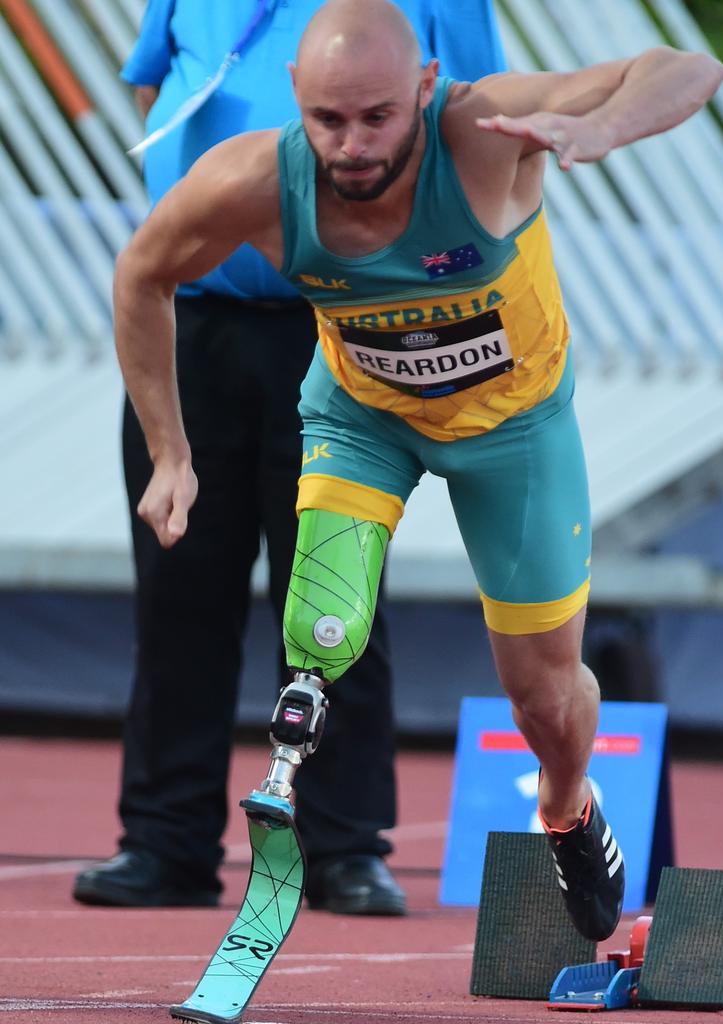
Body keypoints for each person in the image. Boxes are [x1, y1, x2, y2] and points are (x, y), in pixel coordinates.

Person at [106, 0, 723, 941]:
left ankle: (567, 806)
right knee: (322, 625)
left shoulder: (480, 130)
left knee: (545, 699)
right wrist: (170, 452)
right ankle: (284, 804)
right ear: (294, 102)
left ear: (424, 87)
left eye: (377, 118)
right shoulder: (255, 179)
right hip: (364, 420)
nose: (351, 147)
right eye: (327, 120)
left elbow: (687, 67)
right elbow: (141, 275)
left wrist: (596, 127)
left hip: (513, 431)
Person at [72, 0, 507, 915]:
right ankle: (165, 840)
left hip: (348, 325)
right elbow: (160, 90)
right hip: (194, 321)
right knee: (177, 579)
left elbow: (478, 119)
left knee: (337, 595)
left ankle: (346, 846)